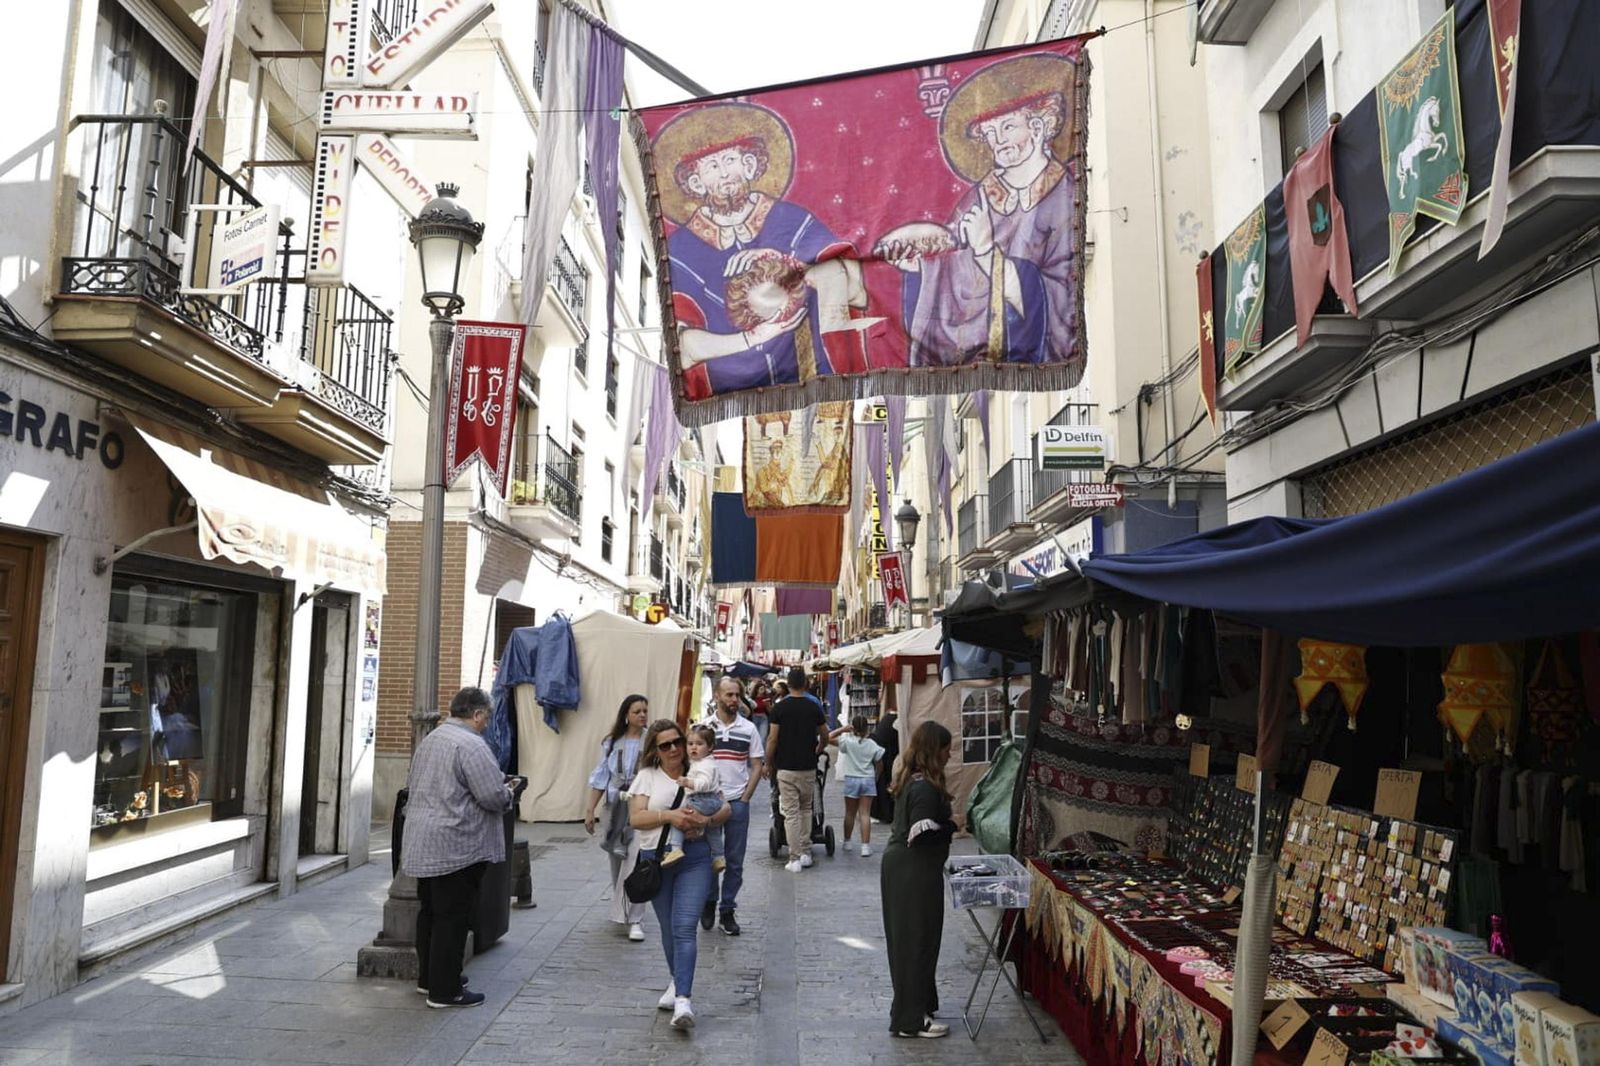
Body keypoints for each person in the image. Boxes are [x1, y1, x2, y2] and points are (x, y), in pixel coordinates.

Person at [650, 102, 870, 401]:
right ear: (696, 182)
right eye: (712, 166)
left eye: (731, 160)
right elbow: (685, 348)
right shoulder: (681, 250)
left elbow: (854, 287)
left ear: (750, 165)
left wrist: (784, 261)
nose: (725, 174)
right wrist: (752, 338)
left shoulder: (793, 220)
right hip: (738, 395)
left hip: (815, 384)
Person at [880, 54, 1081, 377]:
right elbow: (958, 271)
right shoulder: (978, 198)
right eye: (989, 132)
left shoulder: (1065, 197)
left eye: (1007, 126)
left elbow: (1057, 294)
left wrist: (987, 252)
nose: (997, 140)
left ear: (1039, 126)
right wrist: (923, 267)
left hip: (1031, 350)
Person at [400, 687, 519, 1009]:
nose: (487, 724)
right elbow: (491, 796)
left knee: (431, 913)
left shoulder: (433, 739)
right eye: (487, 717)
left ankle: (431, 978)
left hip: (424, 840)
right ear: (478, 714)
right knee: (452, 917)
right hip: (456, 844)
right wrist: (509, 791)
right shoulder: (471, 744)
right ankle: (446, 990)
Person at [631, 719, 731, 1030]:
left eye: (677, 741)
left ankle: (684, 1000)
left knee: (685, 926)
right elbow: (636, 818)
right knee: (667, 926)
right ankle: (676, 981)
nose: (674, 748)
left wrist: (706, 819)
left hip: (695, 858)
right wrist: (669, 816)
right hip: (658, 859)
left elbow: (726, 808)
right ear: (655, 750)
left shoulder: (700, 769)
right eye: (665, 745)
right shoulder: (647, 777)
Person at [880, 721, 957, 1038]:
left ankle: (916, 1007)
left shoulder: (914, 780)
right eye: (946, 749)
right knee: (915, 942)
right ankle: (911, 1020)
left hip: (908, 871)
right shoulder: (924, 787)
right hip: (913, 872)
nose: (950, 755)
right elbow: (921, 832)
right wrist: (952, 826)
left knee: (914, 941)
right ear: (934, 751)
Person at [699, 675, 765, 935]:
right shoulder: (705, 727)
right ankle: (709, 901)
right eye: (729, 695)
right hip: (709, 803)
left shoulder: (748, 728)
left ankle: (727, 909)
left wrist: (746, 797)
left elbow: (757, 763)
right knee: (711, 858)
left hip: (737, 802)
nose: (734, 700)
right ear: (717, 696)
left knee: (734, 861)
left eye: (737, 695)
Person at [583, 694, 650, 941]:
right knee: (616, 860)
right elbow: (601, 777)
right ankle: (623, 907)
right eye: (637, 711)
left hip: (640, 806)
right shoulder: (611, 742)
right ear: (626, 715)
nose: (642, 715)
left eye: (645, 711)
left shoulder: (651, 740)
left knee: (635, 860)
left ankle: (635, 918)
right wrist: (590, 810)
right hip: (614, 808)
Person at [766, 667, 829, 872]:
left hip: (785, 767)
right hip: (808, 766)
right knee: (806, 809)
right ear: (805, 684)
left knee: (790, 813)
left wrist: (769, 762)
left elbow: (773, 738)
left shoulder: (779, 708)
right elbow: (825, 735)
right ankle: (805, 852)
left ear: (788, 685)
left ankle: (793, 858)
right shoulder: (814, 708)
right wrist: (818, 749)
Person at [662, 724, 725, 872]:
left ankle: (676, 848)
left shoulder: (705, 765)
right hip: (713, 801)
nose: (693, 748)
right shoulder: (704, 762)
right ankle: (718, 856)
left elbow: (705, 784)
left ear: (710, 747)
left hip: (703, 798)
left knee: (678, 816)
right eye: (690, 744)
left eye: (699, 744)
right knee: (713, 830)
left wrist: (688, 782)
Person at [829, 715, 886, 856]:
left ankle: (847, 842)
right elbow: (880, 764)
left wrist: (843, 729)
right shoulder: (872, 745)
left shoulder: (847, 741)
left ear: (852, 728)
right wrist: (876, 776)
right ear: (867, 728)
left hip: (851, 779)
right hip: (867, 779)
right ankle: (865, 846)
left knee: (850, 812)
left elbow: (828, 737)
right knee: (865, 814)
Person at [870, 710, 900, 824]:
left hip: (883, 747)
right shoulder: (894, 720)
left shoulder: (889, 719)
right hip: (887, 751)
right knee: (884, 780)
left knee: (881, 780)